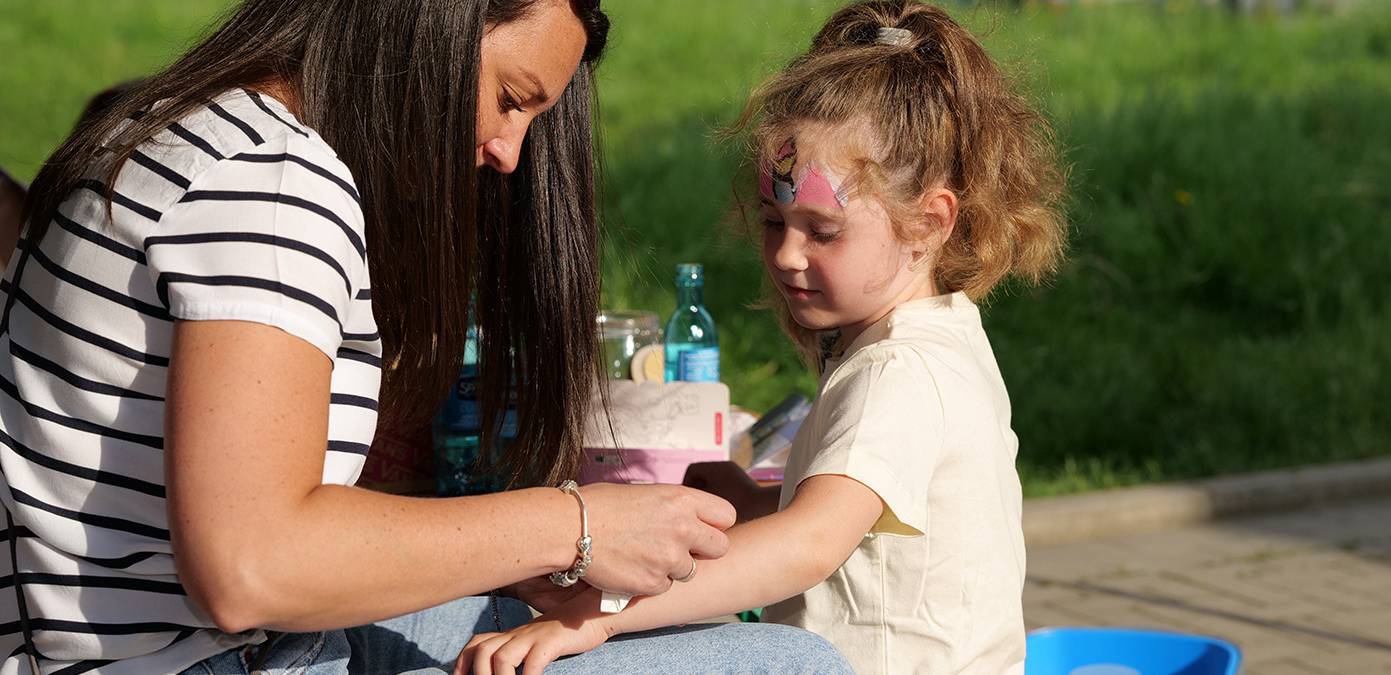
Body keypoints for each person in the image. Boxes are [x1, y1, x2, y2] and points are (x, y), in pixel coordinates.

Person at [0, 1, 849, 673]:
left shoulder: (174, 123)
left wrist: (507, 555)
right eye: (511, 98)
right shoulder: (272, 181)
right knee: (789, 664)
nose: (511, 151)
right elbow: (249, 565)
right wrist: (574, 523)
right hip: (196, 659)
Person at [454, 1, 1067, 673]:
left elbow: (806, 545)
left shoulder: (899, 372)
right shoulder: (938, 337)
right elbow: (866, 519)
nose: (786, 255)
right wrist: (753, 503)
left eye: (822, 229)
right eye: (775, 221)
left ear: (929, 223)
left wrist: (598, 612)